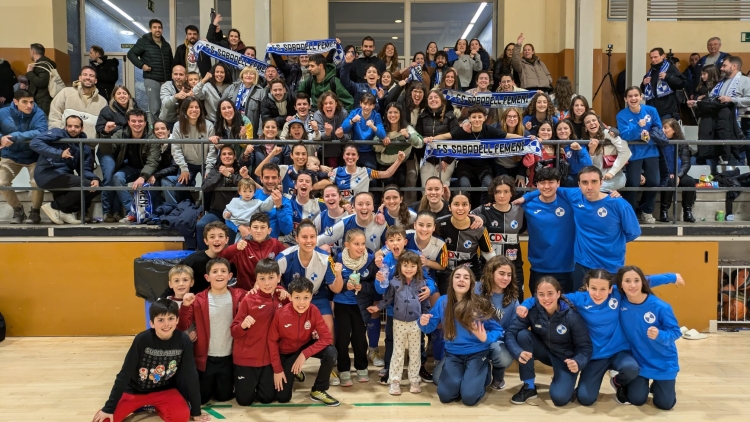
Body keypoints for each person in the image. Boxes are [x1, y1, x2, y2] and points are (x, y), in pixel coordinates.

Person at [517, 268, 683, 406]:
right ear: (587, 287)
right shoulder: (579, 299)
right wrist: (526, 304)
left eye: (603, 289)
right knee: (585, 399)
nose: (598, 293)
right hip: (595, 355)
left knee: (632, 368)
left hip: (619, 351)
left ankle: (619, 382)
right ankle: (575, 384)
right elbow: (550, 296)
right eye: (593, 288)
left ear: (611, 289)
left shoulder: (618, 294)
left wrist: (672, 277)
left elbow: (644, 281)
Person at [517, 166, 641, 290]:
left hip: (611, 266)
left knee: (607, 306)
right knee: (580, 306)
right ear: (579, 184)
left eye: (594, 181)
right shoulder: (575, 196)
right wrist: (525, 197)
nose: (589, 187)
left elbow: (633, 233)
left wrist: (611, 243)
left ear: (601, 182)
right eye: (585, 182)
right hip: (582, 266)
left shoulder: (619, 204)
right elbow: (548, 188)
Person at [91, 299, 208, 422]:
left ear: (177, 320)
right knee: (104, 420)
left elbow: (191, 376)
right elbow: (124, 374)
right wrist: (108, 408)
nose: (166, 324)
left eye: (171, 318)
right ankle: (141, 405)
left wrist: (196, 411)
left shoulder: (183, 341)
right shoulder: (142, 340)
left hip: (165, 391)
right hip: (136, 391)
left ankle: (157, 407)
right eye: (161, 320)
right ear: (152, 323)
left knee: (181, 417)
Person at [418, 266, 502, 406]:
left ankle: (484, 373)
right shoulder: (443, 301)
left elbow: (498, 330)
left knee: (469, 398)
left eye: (466, 277)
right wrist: (422, 322)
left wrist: (485, 338)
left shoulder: (480, 303)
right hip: (453, 354)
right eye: (457, 276)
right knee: (445, 396)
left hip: (477, 353)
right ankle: (465, 376)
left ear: (471, 283)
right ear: (451, 282)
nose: (461, 280)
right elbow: (429, 327)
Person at [505, 276, 592, 406]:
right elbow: (510, 333)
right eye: (541, 294)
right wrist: (517, 352)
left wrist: (578, 362)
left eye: (550, 293)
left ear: (558, 294)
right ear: (536, 296)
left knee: (560, 399)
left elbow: (585, 346)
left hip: (565, 358)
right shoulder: (532, 311)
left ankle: (560, 380)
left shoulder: (571, 316)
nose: (546, 298)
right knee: (522, 335)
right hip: (544, 352)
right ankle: (529, 387)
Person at [178, 258, 247, 404]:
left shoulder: (240, 295)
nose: (219, 274)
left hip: (229, 358)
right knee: (202, 399)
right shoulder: (197, 300)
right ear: (207, 277)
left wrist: (279, 290)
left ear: (230, 276)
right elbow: (182, 326)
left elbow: (262, 291)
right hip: (206, 359)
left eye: (223, 271)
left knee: (224, 397)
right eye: (215, 272)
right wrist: (184, 306)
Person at [267, 276, 340, 406]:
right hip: (287, 352)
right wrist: (277, 370)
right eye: (297, 297)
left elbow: (327, 338)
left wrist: (304, 354)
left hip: (304, 346)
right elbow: (271, 341)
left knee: (331, 352)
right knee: (283, 398)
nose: (301, 302)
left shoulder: (313, 310)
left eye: (306, 297)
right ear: (290, 297)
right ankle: (296, 371)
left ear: (311, 297)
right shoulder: (280, 314)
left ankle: (319, 390)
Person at [428, 105, 522, 205]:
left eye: (479, 117)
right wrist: (432, 139)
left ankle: (484, 209)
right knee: (464, 185)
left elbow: (507, 136)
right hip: (465, 164)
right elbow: (447, 136)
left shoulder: (489, 130)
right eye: (474, 117)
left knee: (488, 184)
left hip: (483, 165)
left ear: (485, 118)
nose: (477, 119)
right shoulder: (463, 130)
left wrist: (527, 138)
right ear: (469, 118)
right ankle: (466, 208)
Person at [616, 266, 681, 410]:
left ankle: (659, 385)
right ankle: (625, 382)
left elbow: (675, 332)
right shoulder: (619, 301)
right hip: (640, 362)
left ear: (643, 282)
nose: (632, 285)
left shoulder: (660, 306)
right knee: (637, 400)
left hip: (663, 362)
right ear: (621, 284)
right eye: (627, 281)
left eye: (636, 280)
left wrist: (660, 335)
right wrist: (672, 277)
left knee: (665, 405)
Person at [368, 251, 430, 395]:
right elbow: (387, 299)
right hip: (398, 322)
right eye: (405, 265)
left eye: (412, 266)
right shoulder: (394, 282)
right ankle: (394, 381)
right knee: (398, 352)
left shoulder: (422, 283)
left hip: (416, 323)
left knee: (415, 353)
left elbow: (425, 303)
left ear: (418, 267)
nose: (409, 269)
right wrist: (378, 307)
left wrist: (426, 316)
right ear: (400, 266)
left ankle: (414, 380)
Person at [230, 258, 289, 406]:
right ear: (256, 279)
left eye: (271, 278)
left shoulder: (282, 299)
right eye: (262, 279)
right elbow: (234, 331)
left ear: (279, 277)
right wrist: (243, 325)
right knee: (244, 401)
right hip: (246, 360)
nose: (267, 283)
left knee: (267, 399)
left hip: (269, 360)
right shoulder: (248, 300)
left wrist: (284, 293)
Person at [30, 116, 100, 225]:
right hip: (47, 174)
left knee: (96, 186)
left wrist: (94, 178)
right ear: (65, 126)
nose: (73, 129)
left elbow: (84, 169)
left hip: (65, 176)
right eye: (70, 126)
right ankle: (53, 206)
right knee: (84, 184)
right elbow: (35, 143)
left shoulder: (84, 146)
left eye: (76, 126)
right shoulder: (57, 133)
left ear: (82, 128)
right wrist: (59, 154)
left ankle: (65, 211)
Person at [520, 167, 576, 292]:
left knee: (566, 309)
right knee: (539, 309)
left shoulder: (570, 202)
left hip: (566, 269)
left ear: (558, 183)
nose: (546, 186)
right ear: (537, 184)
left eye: (551, 182)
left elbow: (590, 192)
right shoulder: (527, 205)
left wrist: (611, 194)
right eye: (542, 182)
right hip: (538, 270)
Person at [471, 176, 527, 299]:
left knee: (516, 300)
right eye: (498, 192)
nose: (502, 195)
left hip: (513, 267)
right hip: (488, 267)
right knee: (486, 303)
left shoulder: (520, 212)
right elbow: (464, 217)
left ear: (512, 193)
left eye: (506, 191)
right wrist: (477, 218)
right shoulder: (483, 211)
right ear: (493, 193)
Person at [334, 229, 376, 387]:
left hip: (361, 306)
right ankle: (344, 369)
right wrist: (346, 286)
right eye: (356, 244)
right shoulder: (338, 258)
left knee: (359, 338)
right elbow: (331, 282)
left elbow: (374, 286)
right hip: (342, 305)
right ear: (347, 245)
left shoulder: (370, 260)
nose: (360, 247)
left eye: (363, 244)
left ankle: (362, 366)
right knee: (343, 338)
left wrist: (361, 286)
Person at [0, 89, 47, 224]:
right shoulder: (2, 113)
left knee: (36, 182)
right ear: (15, 102)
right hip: (11, 155)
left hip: (34, 155)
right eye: (24, 102)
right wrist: (1, 138)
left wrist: (15, 137)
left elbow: (41, 131)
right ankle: (18, 210)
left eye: (31, 102)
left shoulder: (39, 113)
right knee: (2, 183)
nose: (29, 106)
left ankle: (35, 212)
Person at [617, 86, 663, 223]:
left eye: (636, 95)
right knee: (632, 182)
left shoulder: (651, 110)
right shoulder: (621, 115)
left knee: (654, 182)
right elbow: (624, 135)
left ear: (641, 96)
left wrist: (648, 134)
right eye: (630, 96)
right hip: (633, 153)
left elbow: (658, 128)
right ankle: (630, 212)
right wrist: (638, 127)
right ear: (625, 99)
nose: (633, 98)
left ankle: (646, 210)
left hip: (651, 151)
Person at [435, 191, 496, 293]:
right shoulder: (439, 224)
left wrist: (497, 271)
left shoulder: (479, 228)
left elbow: (489, 254)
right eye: (456, 204)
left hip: (471, 274)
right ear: (449, 207)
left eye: (464, 204)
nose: (460, 208)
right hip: (445, 274)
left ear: (470, 207)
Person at [108, 109, 161, 223]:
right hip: (130, 168)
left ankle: (151, 213)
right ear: (128, 122)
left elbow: (153, 161)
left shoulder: (152, 138)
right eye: (134, 121)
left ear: (145, 123)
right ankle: (132, 212)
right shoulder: (122, 134)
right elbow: (108, 148)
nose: (137, 124)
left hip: (148, 170)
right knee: (117, 177)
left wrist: (143, 176)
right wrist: (105, 134)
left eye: (140, 121)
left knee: (154, 182)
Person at [195, 145, 252, 247]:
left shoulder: (241, 170)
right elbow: (205, 187)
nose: (227, 156)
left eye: (230, 154)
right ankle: (204, 255)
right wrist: (221, 174)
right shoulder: (215, 171)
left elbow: (246, 185)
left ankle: (230, 258)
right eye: (224, 154)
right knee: (200, 225)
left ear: (235, 157)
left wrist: (230, 175)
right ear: (220, 157)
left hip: (236, 215)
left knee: (231, 231)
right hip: (216, 212)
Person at [478, 256, 520, 390]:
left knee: (504, 358)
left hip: (497, 341)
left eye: (509, 275)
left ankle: (497, 373)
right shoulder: (476, 289)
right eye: (501, 274)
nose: (506, 278)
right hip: (474, 338)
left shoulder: (512, 299)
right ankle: (483, 369)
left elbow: (513, 329)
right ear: (491, 273)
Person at [221, 209, 284, 290]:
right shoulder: (241, 245)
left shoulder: (275, 244)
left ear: (269, 230)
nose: (258, 231)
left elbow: (288, 260)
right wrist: (235, 248)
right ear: (249, 230)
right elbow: (222, 258)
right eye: (255, 227)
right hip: (245, 292)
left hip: (270, 292)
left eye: (262, 227)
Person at [170, 98, 218, 202]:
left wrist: (209, 168)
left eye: (197, 107)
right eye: (191, 107)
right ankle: (190, 208)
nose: (194, 110)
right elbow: (176, 149)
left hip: (205, 163)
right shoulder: (178, 126)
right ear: (185, 109)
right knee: (180, 186)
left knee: (209, 186)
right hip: (187, 164)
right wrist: (183, 168)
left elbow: (212, 150)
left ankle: (206, 211)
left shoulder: (208, 125)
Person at [324, 144, 405, 203]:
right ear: (343, 156)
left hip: (361, 210)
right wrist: (320, 167)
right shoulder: (337, 171)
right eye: (348, 154)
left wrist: (399, 161)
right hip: (341, 209)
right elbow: (321, 185)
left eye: (353, 154)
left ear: (358, 157)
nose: (350, 157)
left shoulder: (366, 172)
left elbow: (387, 173)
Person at [127, 19, 174, 122]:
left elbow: (171, 62)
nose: (157, 29)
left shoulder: (166, 45)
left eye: (159, 27)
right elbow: (131, 54)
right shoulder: (144, 42)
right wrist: (141, 65)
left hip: (166, 81)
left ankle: (166, 132)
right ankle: (157, 133)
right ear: (150, 29)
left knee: (167, 108)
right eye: (155, 27)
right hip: (152, 79)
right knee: (155, 108)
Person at [235, 163, 293, 241]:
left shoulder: (285, 201)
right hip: (247, 243)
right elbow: (229, 215)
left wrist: (279, 207)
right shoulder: (250, 194)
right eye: (267, 177)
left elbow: (287, 230)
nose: (270, 181)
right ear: (261, 179)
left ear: (279, 179)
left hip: (269, 246)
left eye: (274, 177)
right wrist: (239, 227)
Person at [316, 191, 387, 253]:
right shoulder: (345, 222)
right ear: (354, 206)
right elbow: (321, 240)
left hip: (372, 265)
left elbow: (391, 244)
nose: (364, 207)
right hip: (348, 265)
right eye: (360, 204)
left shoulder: (381, 222)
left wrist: (381, 253)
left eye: (368, 204)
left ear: (373, 207)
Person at [48, 66, 107, 139]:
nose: (88, 77)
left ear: (95, 80)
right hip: (66, 144)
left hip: (89, 147)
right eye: (85, 74)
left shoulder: (102, 102)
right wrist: (60, 137)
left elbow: (102, 126)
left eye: (91, 75)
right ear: (80, 78)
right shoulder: (65, 93)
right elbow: (54, 116)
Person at [415, 90, 458, 185]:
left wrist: (447, 160)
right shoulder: (422, 117)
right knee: (426, 188)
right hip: (427, 159)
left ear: (442, 100)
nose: (433, 100)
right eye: (430, 98)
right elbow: (418, 137)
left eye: (436, 97)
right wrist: (423, 139)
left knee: (440, 187)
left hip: (445, 159)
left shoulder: (450, 116)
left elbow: (456, 139)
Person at [659, 118, 696, 223]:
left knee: (690, 181)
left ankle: (687, 212)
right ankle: (664, 211)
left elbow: (686, 163)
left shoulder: (682, 143)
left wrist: (678, 175)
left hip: (678, 173)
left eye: (666, 128)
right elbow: (658, 162)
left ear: (674, 129)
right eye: (662, 127)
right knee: (670, 181)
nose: (663, 130)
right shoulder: (659, 143)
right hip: (664, 174)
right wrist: (668, 174)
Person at [582, 111, 630, 191]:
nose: (592, 123)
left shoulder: (608, 134)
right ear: (585, 128)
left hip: (615, 177)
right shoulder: (584, 140)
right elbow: (588, 166)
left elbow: (626, 152)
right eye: (588, 122)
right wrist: (592, 151)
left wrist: (612, 172)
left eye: (594, 120)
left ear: (598, 122)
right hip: (596, 178)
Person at [180, 222, 232, 294]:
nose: (217, 239)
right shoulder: (193, 260)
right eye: (212, 237)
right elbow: (175, 280)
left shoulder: (232, 260)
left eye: (221, 236)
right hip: (196, 302)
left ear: (227, 239)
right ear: (206, 241)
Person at [641, 48, 686, 120]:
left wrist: (668, 77)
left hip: (667, 110)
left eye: (655, 57)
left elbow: (682, 83)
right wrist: (643, 84)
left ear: (663, 56)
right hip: (652, 110)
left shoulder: (670, 68)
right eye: (651, 57)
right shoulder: (650, 71)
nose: (653, 60)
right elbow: (644, 91)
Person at [715, 56, 750, 143]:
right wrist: (697, 102)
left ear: (734, 66)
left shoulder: (746, 81)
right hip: (725, 122)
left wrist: (732, 99)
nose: (721, 68)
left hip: (742, 121)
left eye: (724, 66)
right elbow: (712, 98)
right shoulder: (721, 83)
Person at [221, 66, 265, 134]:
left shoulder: (260, 91)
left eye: (251, 73)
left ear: (255, 76)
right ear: (242, 75)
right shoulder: (232, 87)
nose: (248, 75)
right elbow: (221, 105)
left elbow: (263, 113)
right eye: (246, 73)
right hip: (232, 125)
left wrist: (260, 131)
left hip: (251, 127)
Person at [313, 91, 350, 168]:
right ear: (322, 105)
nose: (328, 105)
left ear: (336, 104)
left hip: (341, 153)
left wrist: (341, 136)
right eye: (325, 103)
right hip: (323, 153)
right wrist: (327, 133)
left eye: (331, 103)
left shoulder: (343, 113)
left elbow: (349, 135)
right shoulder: (318, 115)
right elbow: (318, 137)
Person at [25, 43, 56, 115]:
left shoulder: (42, 65)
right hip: (45, 99)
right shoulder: (48, 64)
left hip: (42, 101)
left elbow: (42, 82)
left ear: (32, 52)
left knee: (41, 121)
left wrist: (29, 73)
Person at [159, 65, 190, 129]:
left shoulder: (189, 86)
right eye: (175, 74)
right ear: (172, 76)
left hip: (184, 121)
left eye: (181, 74)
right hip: (167, 121)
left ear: (186, 77)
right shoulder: (166, 86)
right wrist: (175, 96)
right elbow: (165, 104)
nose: (178, 77)